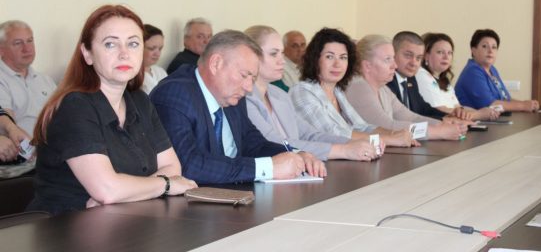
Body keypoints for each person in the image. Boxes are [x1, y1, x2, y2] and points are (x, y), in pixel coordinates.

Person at [28, 5, 196, 215]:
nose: (124, 54)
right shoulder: (74, 106)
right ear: (87, 54)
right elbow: (107, 190)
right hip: (63, 225)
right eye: (110, 44)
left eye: (133, 44)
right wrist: (166, 185)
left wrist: (123, 195)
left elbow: (172, 167)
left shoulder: (139, 100)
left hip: (122, 219)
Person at [151, 30, 326, 184]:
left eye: (253, 78)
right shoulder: (174, 94)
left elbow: (254, 144)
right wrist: (268, 168)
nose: (249, 88)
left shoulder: (231, 96)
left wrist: (297, 155)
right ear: (216, 64)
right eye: (244, 75)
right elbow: (188, 165)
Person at [244, 25, 380, 161]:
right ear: (251, 56)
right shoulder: (244, 97)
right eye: (274, 54)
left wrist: (352, 143)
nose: (282, 60)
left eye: (282, 53)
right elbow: (273, 143)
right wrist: (343, 150)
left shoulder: (279, 95)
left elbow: (310, 134)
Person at [290, 28, 415, 148]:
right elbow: (332, 134)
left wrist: (394, 134)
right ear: (315, 59)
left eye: (343, 57)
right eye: (329, 56)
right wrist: (388, 139)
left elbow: (362, 127)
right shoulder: (302, 91)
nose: (337, 64)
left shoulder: (337, 92)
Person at [346, 35, 466, 141]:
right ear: (367, 66)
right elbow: (386, 126)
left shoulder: (383, 89)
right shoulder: (358, 87)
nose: (394, 65)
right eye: (388, 59)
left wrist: (442, 124)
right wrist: (438, 132)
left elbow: (410, 117)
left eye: (393, 58)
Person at [386, 31, 472, 121]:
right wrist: (442, 121)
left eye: (418, 58)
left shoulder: (411, 79)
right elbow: (400, 119)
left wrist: (449, 117)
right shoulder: (386, 82)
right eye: (408, 55)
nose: (414, 63)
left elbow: (424, 109)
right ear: (393, 54)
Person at [416, 33, 499, 120]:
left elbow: (458, 108)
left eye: (449, 53)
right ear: (426, 55)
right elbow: (440, 111)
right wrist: (479, 114)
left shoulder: (443, 80)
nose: (446, 57)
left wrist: (486, 112)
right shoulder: (421, 75)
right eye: (440, 52)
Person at [455, 29, 540, 112]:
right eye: (485, 46)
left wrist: (527, 104)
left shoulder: (492, 69)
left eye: (494, 47)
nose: (490, 51)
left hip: (493, 119)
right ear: (473, 51)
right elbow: (492, 105)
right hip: (472, 120)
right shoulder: (472, 72)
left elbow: (505, 99)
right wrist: (523, 106)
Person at [0, 20, 56, 136]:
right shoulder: (2, 79)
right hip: (23, 145)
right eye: (18, 43)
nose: (27, 48)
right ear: (1, 50)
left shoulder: (45, 80)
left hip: (57, 142)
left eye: (30, 41)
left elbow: (64, 114)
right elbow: (6, 127)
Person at [141, 24, 168, 94]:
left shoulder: (160, 72)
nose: (157, 54)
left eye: (160, 48)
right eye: (151, 48)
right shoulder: (131, 76)